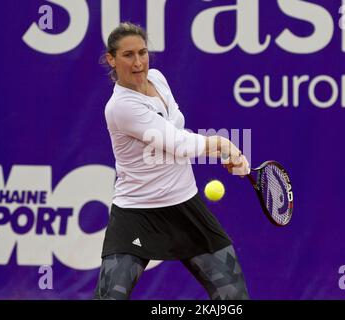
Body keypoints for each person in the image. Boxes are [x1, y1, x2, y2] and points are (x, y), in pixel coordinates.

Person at [93, 22, 250, 300]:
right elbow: (177, 145)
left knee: (233, 297)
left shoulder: (158, 79)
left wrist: (223, 154)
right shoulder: (121, 107)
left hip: (185, 205)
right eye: (128, 55)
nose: (138, 62)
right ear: (111, 59)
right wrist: (222, 144)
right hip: (137, 213)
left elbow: (177, 132)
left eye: (142, 52)